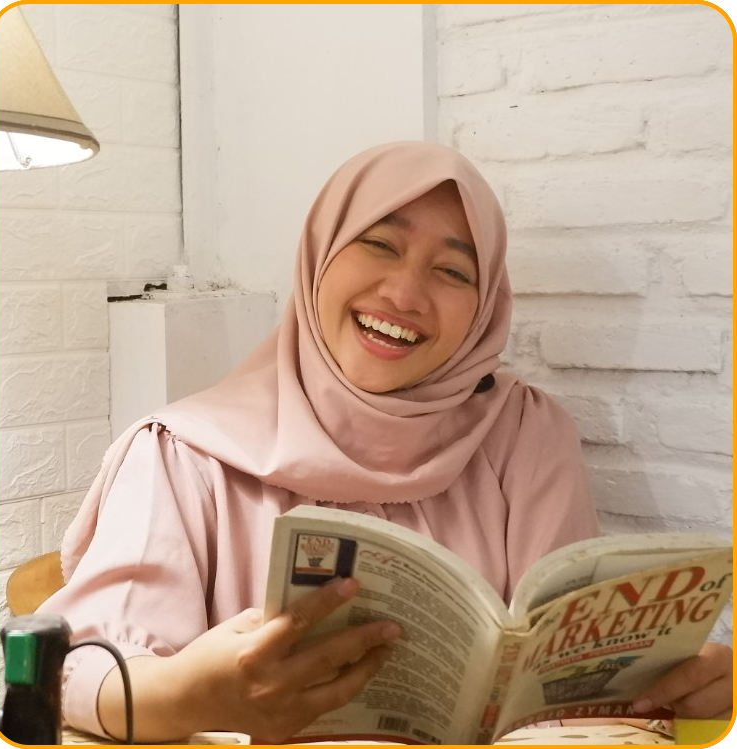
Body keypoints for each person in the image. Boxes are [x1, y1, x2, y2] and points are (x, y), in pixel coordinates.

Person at [37, 142, 732, 742]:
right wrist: (187, 695)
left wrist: (672, 682)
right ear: (318, 256)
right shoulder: (180, 453)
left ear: (485, 307)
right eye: (379, 243)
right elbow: (70, 666)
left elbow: (557, 673)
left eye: (453, 271)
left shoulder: (523, 431)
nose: (404, 292)